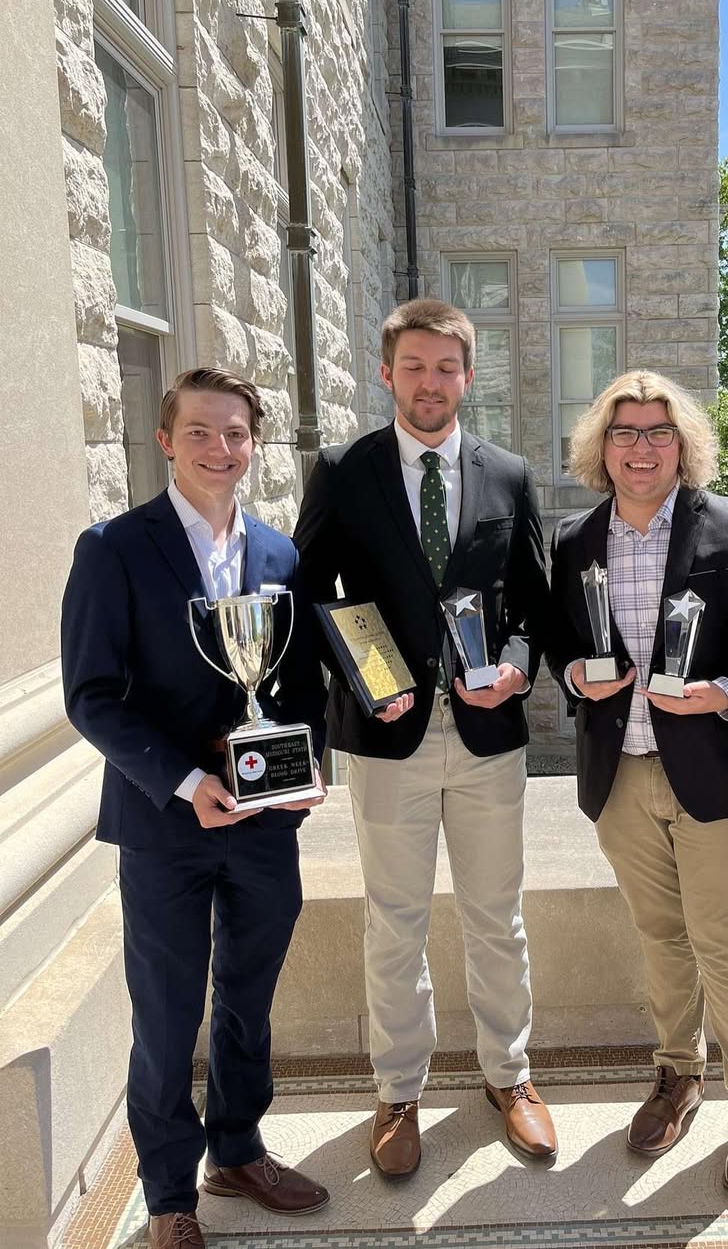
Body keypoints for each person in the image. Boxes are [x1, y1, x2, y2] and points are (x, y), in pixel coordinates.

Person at [61, 369, 330, 1249]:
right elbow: (91, 696)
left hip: (263, 825)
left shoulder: (279, 555)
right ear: (165, 441)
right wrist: (185, 783)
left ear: (254, 443)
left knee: (248, 1001)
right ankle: (170, 1195)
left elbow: (297, 687)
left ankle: (238, 1151)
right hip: (164, 824)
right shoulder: (113, 548)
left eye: (237, 433)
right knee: (168, 1014)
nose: (221, 449)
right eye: (201, 432)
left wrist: (305, 766)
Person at [293, 298, 554, 1178]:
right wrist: (363, 678)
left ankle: (509, 1077)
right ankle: (398, 1091)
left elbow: (534, 604)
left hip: (488, 735)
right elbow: (309, 592)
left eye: (446, 367)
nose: (430, 382)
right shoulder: (343, 470)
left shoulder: (508, 474)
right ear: (386, 372)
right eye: (414, 366)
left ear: (468, 376)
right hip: (386, 738)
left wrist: (514, 666)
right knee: (393, 923)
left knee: (497, 917)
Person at [546, 370, 728, 1195]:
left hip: (718, 776)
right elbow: (558, 636)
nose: (642, 448)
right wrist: (572, 676)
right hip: (619, 774)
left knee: (724, 944)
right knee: (661, 937)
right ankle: (679, 1076)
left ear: (682, 445)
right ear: (601, 447)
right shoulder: (575, 540)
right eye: (624, 432)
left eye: (659, 432)